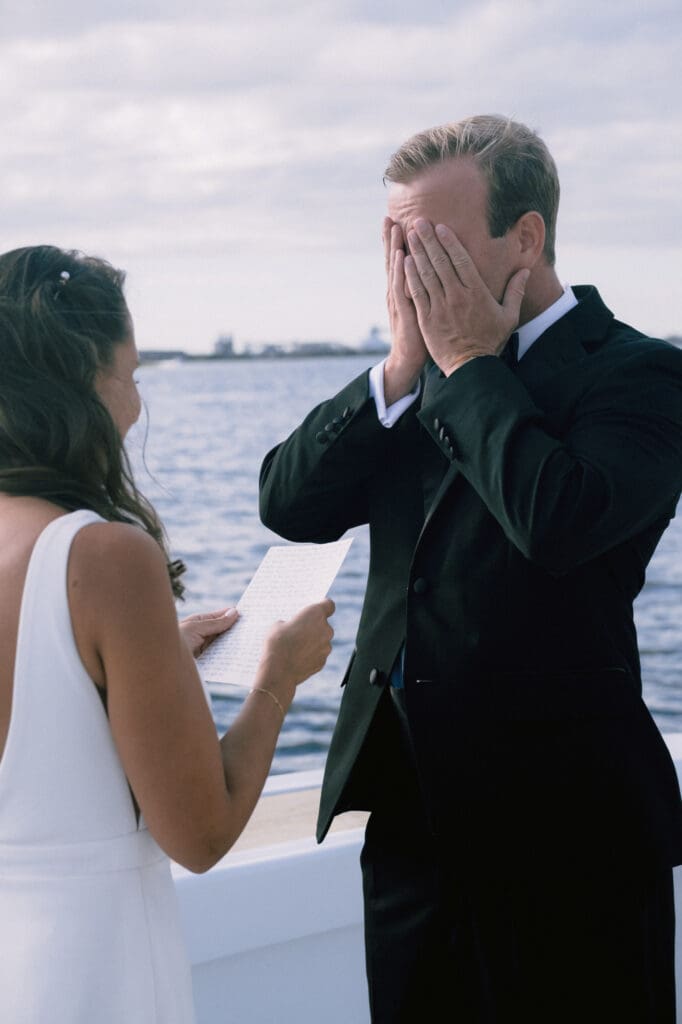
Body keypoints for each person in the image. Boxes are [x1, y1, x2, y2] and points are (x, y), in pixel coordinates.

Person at [259, 115, 682, 1023]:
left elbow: (561, 521)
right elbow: (287, 507)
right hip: (413, 834)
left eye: (435, 244)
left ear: (525, 237)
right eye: (399, 247)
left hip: (575, 837)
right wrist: (402, 370)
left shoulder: (640, 373)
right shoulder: (415, 379)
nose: (413, 272)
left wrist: (464, 362)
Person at [0, 244, 335, 1024]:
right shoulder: (104, 557)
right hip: (86, 974)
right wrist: (277, 678)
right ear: (83, 380)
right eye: (131, 373)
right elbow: (203, 834)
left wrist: (141, 667)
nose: (135, 405)